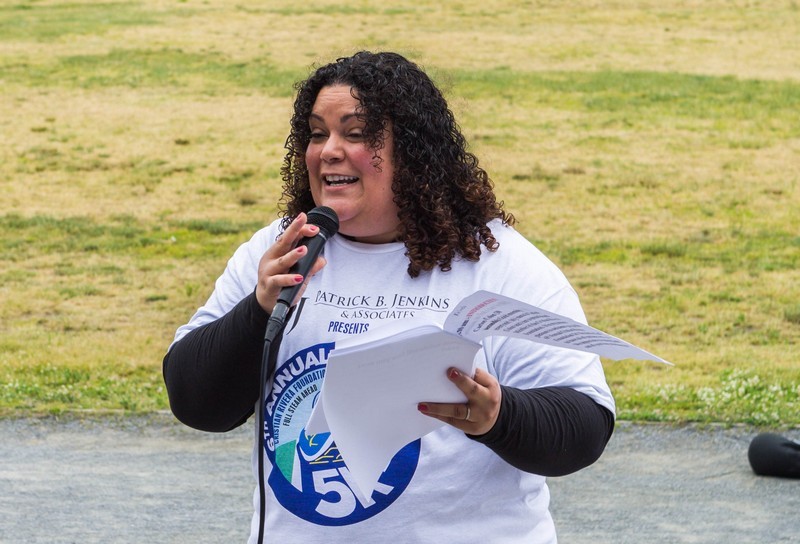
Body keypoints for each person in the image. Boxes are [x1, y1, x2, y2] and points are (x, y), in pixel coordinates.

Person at [163, 51, 615, 544]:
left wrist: (499, 417)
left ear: (413, 155)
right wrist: (257, 312)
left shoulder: (498, 265)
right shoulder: (280, 250)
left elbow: (584, 427)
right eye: (317, 134)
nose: (329, 151)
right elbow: (196, 403)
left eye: (356, 134)